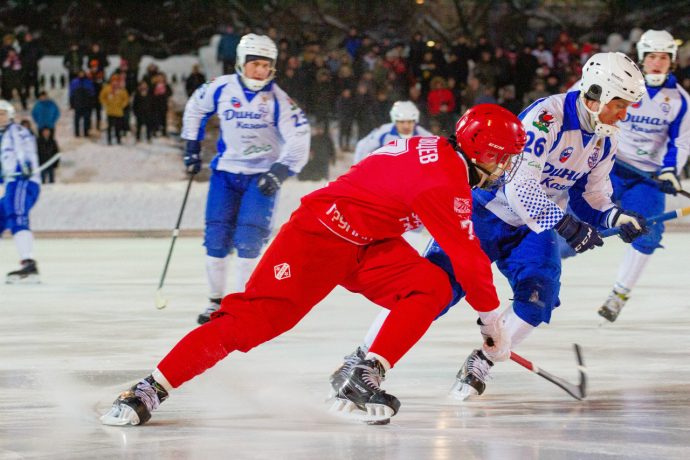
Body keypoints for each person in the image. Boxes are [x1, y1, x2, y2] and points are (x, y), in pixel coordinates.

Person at [100, 104, 527, 426]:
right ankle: (150, 388)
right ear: (480, 151)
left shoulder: (436, 151)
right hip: (319, 237)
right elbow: (470, 262)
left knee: (430, 286)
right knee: (255, 321)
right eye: (502, 158)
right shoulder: (443, 180)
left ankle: (364, 371)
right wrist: (494, 328)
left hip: (368, 242)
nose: (506, 167)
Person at [328, 52, 651, 401]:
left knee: (538, 297)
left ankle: (482, 361)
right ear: (598, 93)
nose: (625, 113)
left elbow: (593, 194)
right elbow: (518, 185)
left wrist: (614, 217)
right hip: (485, 212)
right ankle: (362, 360)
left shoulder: (606, 138)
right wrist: (567, 226)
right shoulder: (547, 117)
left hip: (533, 228)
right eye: (621, 104)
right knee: (435, 288)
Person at [178, 34, 311, 325]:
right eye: (255, 65)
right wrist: (191, 147)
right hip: (225, 173)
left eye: (266, 65)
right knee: (216, 236)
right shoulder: (220, 88)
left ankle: (243, 304)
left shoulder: (279, 100)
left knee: (249, 237)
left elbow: (300, 138)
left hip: (261, 177)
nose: (261, 71)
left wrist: (280, 171)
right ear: (241, 63)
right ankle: (215, 302)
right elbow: (194, 109)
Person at [596, 31, 690, 322]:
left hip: (646, 178)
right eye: (651, 57)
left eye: (663, 57)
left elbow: (680, 141)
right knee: (576, 222)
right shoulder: (623, 86)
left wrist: (670, 170)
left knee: (647, 234)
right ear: (642, 58)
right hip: (609, 168)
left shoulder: (679, 100)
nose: (657, 63)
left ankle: (619, 294)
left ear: (671, 61)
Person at [0, 100, 41, 283]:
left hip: (22, 181)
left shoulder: (15, 131)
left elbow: (23, 149)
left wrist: (25, 165)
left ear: (9, 115)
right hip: (11, 183)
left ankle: (29, 265)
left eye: (2, 113)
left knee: (17, 216)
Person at [354, 101, 432, 163]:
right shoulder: (383, 132)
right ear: (395, 121)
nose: (406, 126)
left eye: (410, 122)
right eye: (402, 122)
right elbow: (362, 146)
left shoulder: (424, 135)